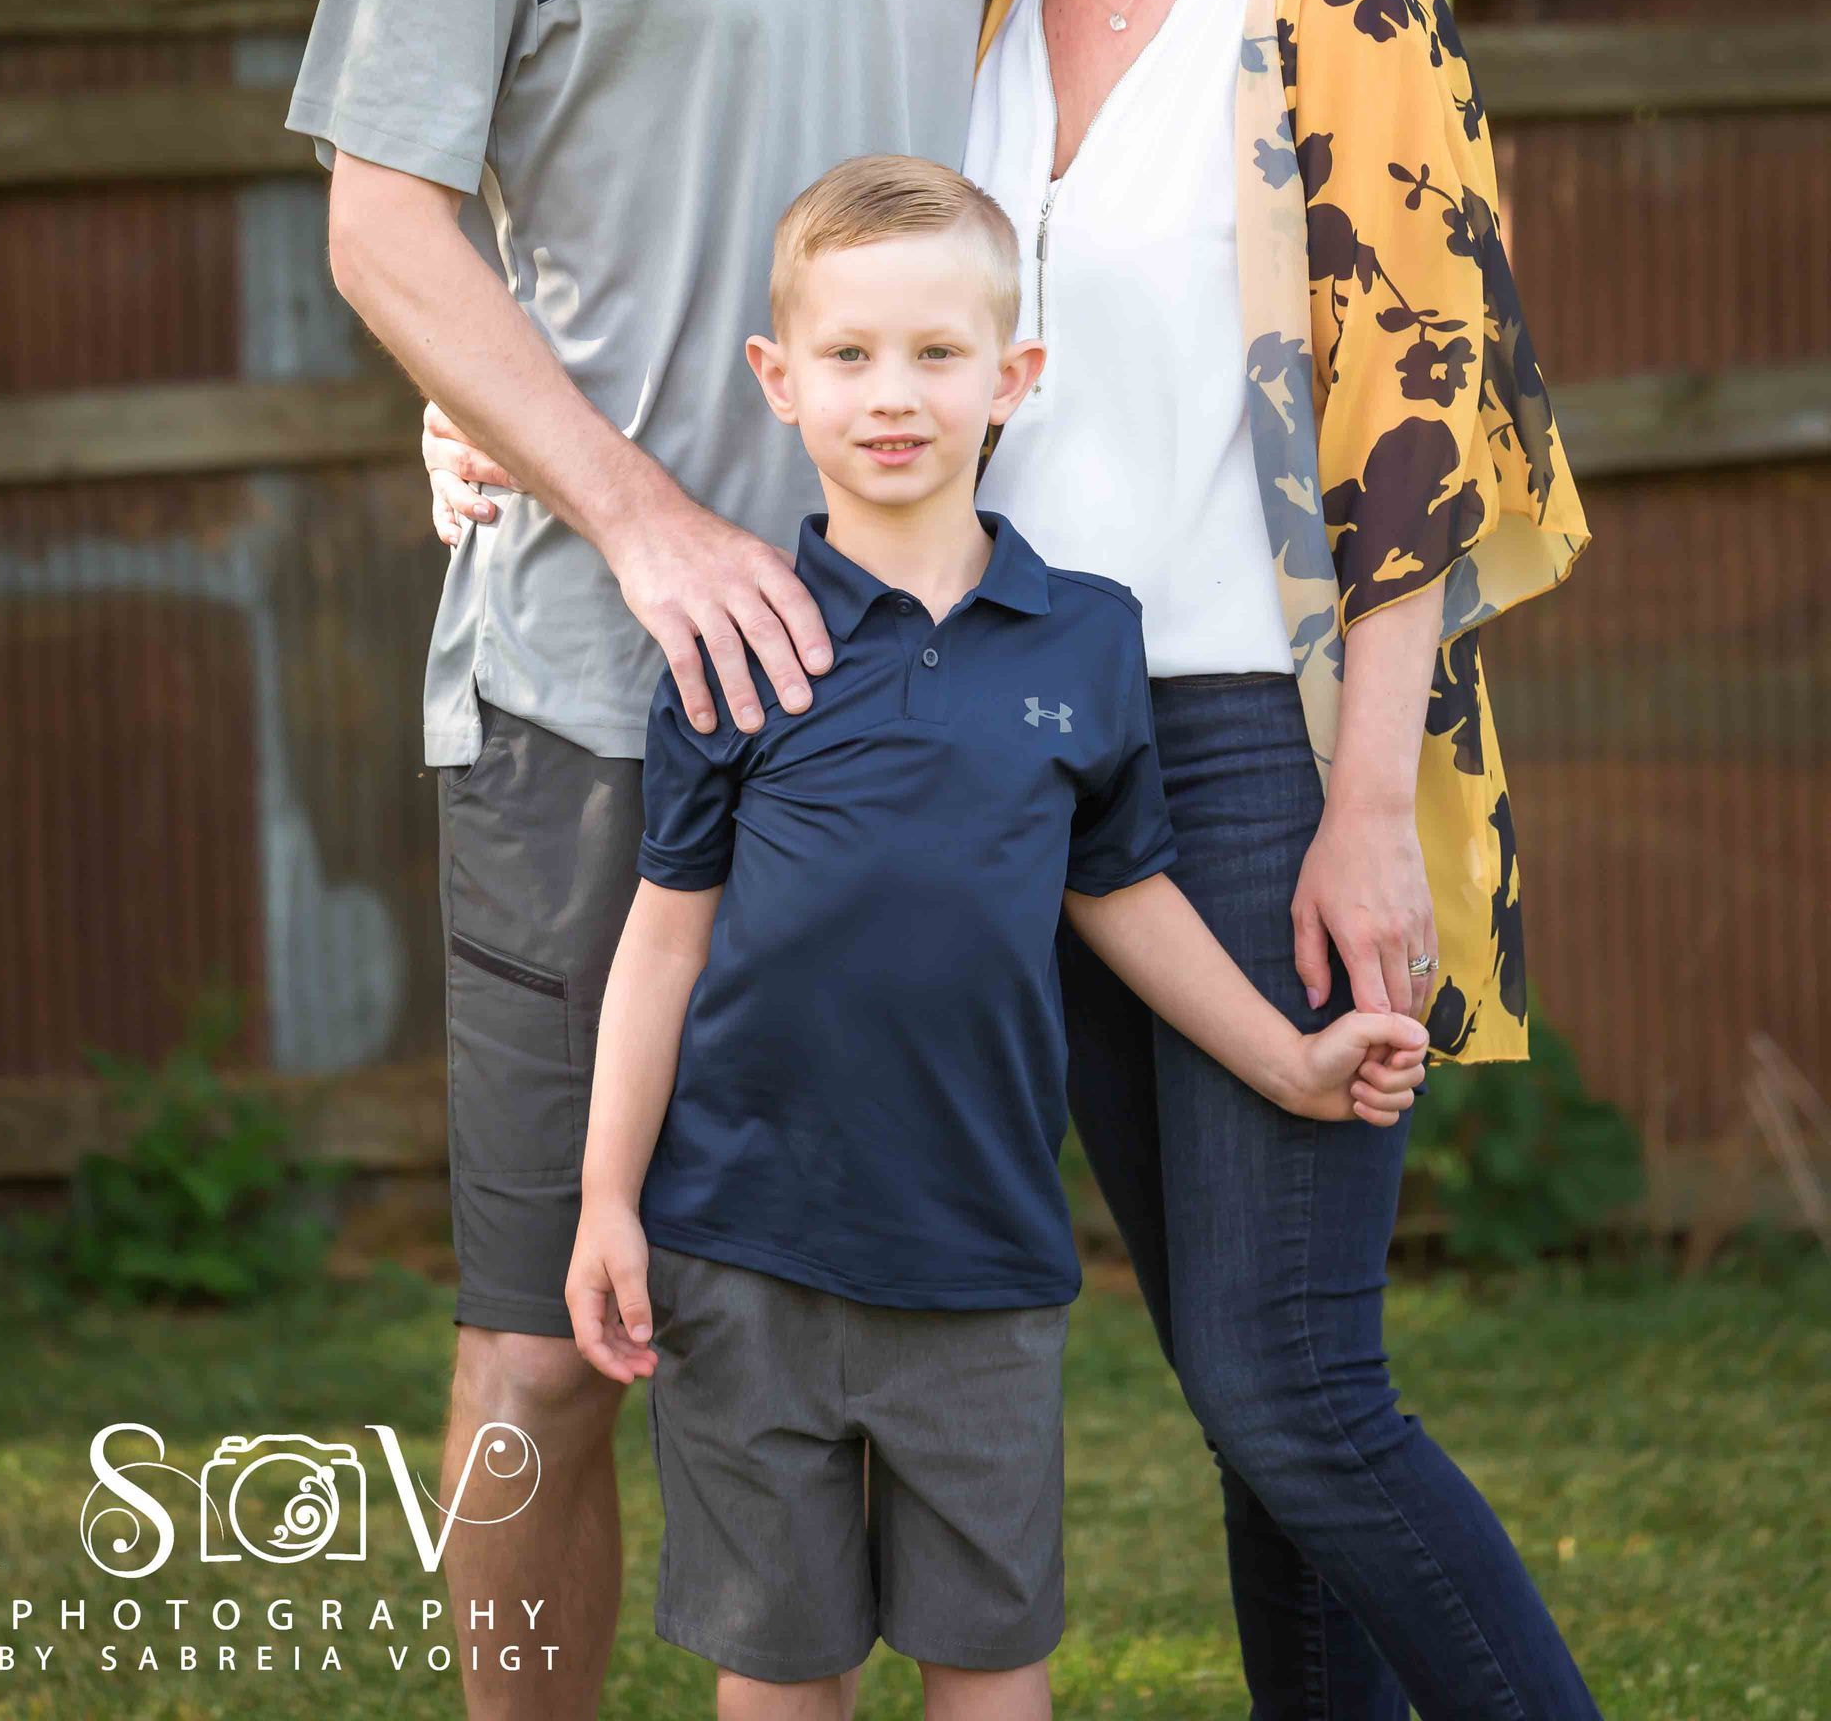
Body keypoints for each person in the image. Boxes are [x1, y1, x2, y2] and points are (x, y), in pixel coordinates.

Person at [286, 0, 1070, 1717]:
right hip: (596, 700)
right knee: (540, 1361)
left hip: (917, 707)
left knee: (868, 1345)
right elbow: (389, 219)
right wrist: (605, 491)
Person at [913, 0, 1600, 1720]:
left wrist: (1366, 804)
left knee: (1300, 1387)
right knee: (1240, 1407)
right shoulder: (999, 7)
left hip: (1263, 749)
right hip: (1053, 755)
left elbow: (1424, 413)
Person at [566, 156, 1430, 1721]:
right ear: (780, 379)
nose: (892, 397)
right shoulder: (740, 641)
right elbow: (661, 945)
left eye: (937, 355)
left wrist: (1289, 1059)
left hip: (983, 1263)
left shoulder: (1087, 636)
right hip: (744, 1247)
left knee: (990, 1663)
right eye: (848, 356)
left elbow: (1122, 896)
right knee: (780, 1668)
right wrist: (608, 1202)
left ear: (1011, 378)